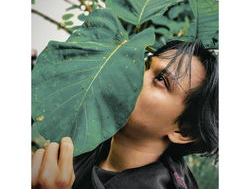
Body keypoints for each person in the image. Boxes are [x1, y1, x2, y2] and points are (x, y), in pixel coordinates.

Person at [32, 40, 218, 189]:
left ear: (184, 132)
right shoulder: (87, 144)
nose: (135, 73)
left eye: (161, 79)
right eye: (146, 65)